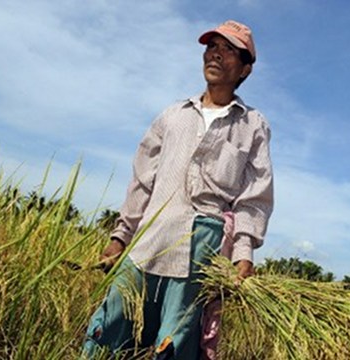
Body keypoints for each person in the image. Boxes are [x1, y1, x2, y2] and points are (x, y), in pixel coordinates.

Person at [83, 20, 274, 359]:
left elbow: (254, 196)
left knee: (173, 343)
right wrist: (120, 237)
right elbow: (143, 181)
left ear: (245, 69)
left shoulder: (252, 124)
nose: (215, 54)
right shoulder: (173, 115)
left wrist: (243, 253)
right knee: (110, 331)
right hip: (149, 240)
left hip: (201, 249)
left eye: (228, 50)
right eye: (211, 47)